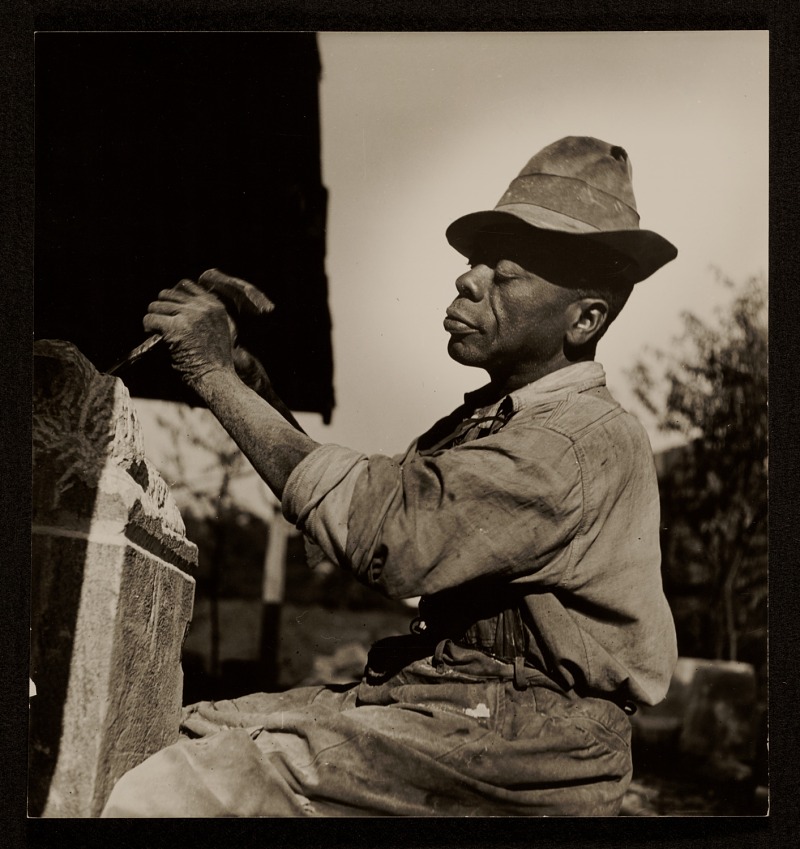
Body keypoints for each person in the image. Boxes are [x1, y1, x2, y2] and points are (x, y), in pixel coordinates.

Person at [101, 136, 678, 817]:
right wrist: (249, 383)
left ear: (584, 319)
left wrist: (211, 374)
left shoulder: (575, 440)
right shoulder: (496, 422)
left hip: (528, 746)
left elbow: (389, 536)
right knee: (183, 728)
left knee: (172, 792)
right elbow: (349, 519)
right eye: (473, 263)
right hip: (452, 704)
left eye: (506, 274)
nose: (469, 281)